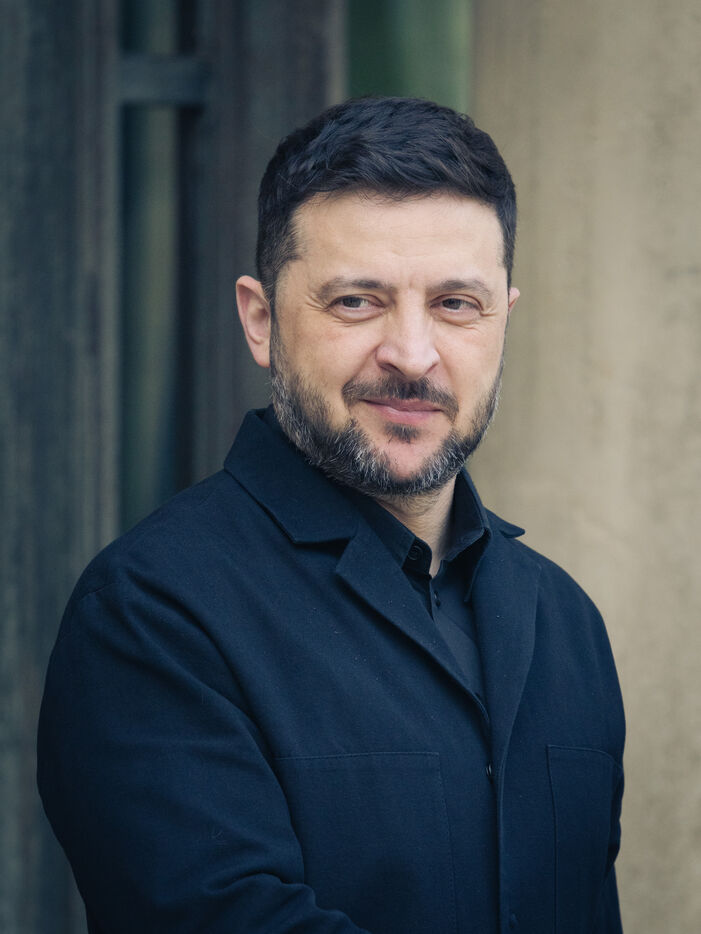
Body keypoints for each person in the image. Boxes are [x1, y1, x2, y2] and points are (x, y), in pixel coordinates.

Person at [38, 97, 625, 933]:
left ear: (502, 319)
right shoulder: (152, 613)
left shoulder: (564, 622)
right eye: (356, 301)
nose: (412, 354)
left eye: (456, 304)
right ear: (260, 320)